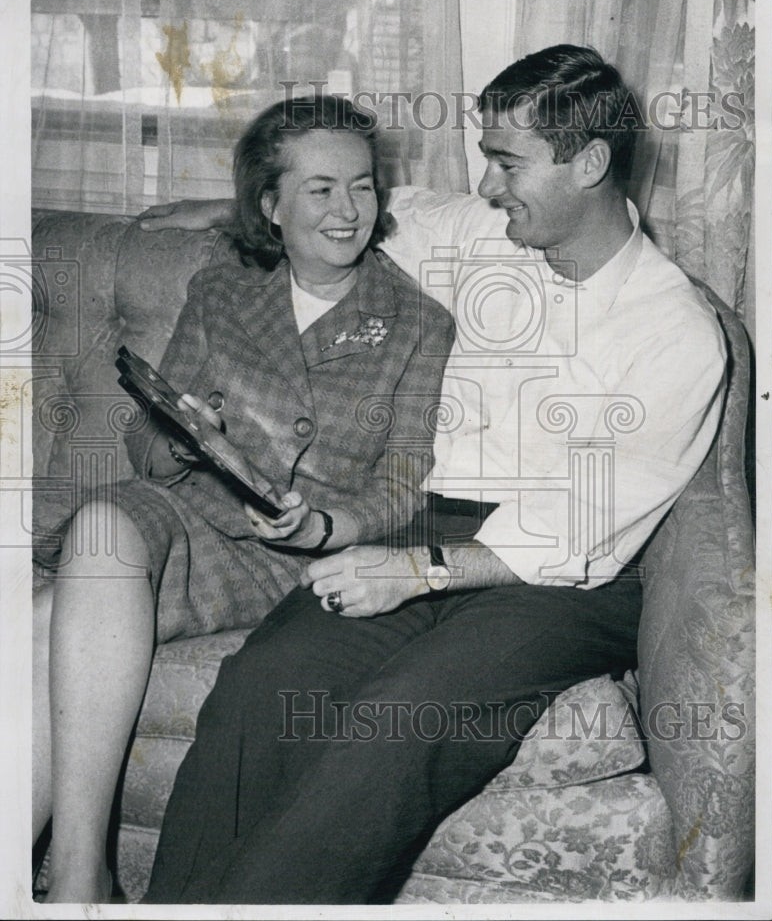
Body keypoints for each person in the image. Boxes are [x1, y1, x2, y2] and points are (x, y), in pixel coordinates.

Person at [140, 45, 728, 904]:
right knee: (265, 683)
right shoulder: (478, 230)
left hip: (565, 578)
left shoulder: (675, 331)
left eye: (507, 162)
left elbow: (579, 532)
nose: (488, 185)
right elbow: (368, 211)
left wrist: (411, 572)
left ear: (590, 163)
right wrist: (212, 211)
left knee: (397, 721)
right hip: (428, 521)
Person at [32, 94, 455, 903]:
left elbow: (405, 477)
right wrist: (186, 437)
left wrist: (329, 524)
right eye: (320, 189)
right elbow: (145, 447)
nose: (348, 211)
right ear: (271, 204)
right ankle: (79, 877)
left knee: (45, 618)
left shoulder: (416, 323)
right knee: (94, 535)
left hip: (289, 558)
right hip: (193, 514)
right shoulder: (223, 292)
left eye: (363, 187)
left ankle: (73, 886)